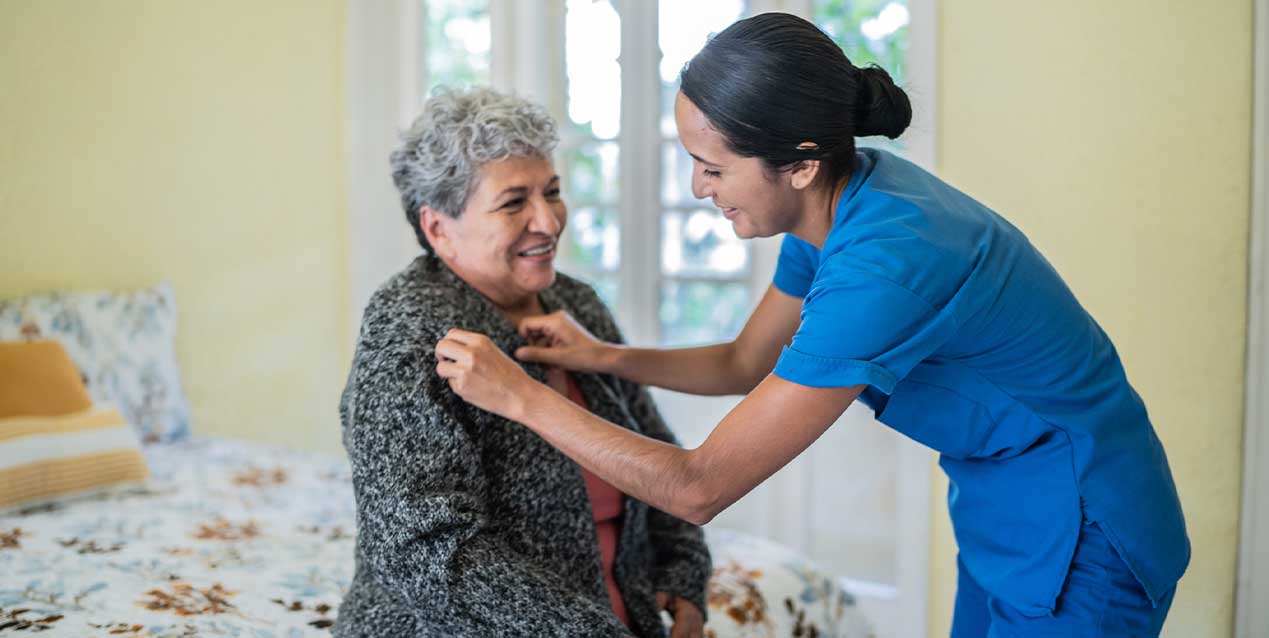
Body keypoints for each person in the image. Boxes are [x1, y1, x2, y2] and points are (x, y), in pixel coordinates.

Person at [432, 12, 1189, 638]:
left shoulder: (885, 261)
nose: (697, 187)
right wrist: (602, 357)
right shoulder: (832, 203)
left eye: (714, 167)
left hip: (1084, 523)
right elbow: (742, 361)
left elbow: (698, 489)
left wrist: (520, 398)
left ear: (796, 162)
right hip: (1007, 509)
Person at [335, 87, 711, 638]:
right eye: (514, 203)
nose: (549, 221)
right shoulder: (408, 334)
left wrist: (684, 579)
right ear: (439, 228)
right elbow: (429, 551)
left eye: (552, 192)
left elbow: (653, 453)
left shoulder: (575, 304)